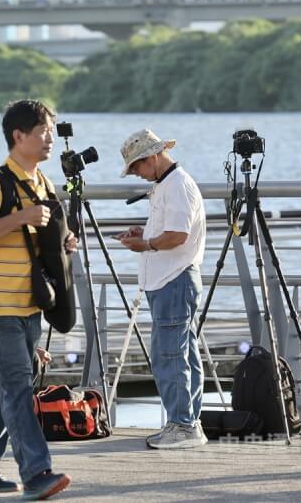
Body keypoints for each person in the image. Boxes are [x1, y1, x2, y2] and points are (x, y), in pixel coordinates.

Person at [0, 100, 76, 501]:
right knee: (17, 387)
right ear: (18, 136)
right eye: (43, 132)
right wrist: (20, 218)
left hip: (30, 304)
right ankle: (37, 471)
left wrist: (65, 242)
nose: (50, 140)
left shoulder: (43, 183)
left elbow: (43, 238)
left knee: (3, 387)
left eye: (51, 132)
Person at [115, 128, 207, 449]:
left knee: (169, 355)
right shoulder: (168, 184)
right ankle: (187, 422)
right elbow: (172, 230)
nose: (137, 175)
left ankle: (183, 425)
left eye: (137, 167)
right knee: (182, 352)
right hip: (172, 280)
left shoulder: (177, 186)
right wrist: (145, 232)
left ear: (151, 157)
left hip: (173, 280)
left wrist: (146, 244)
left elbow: (177, 236)